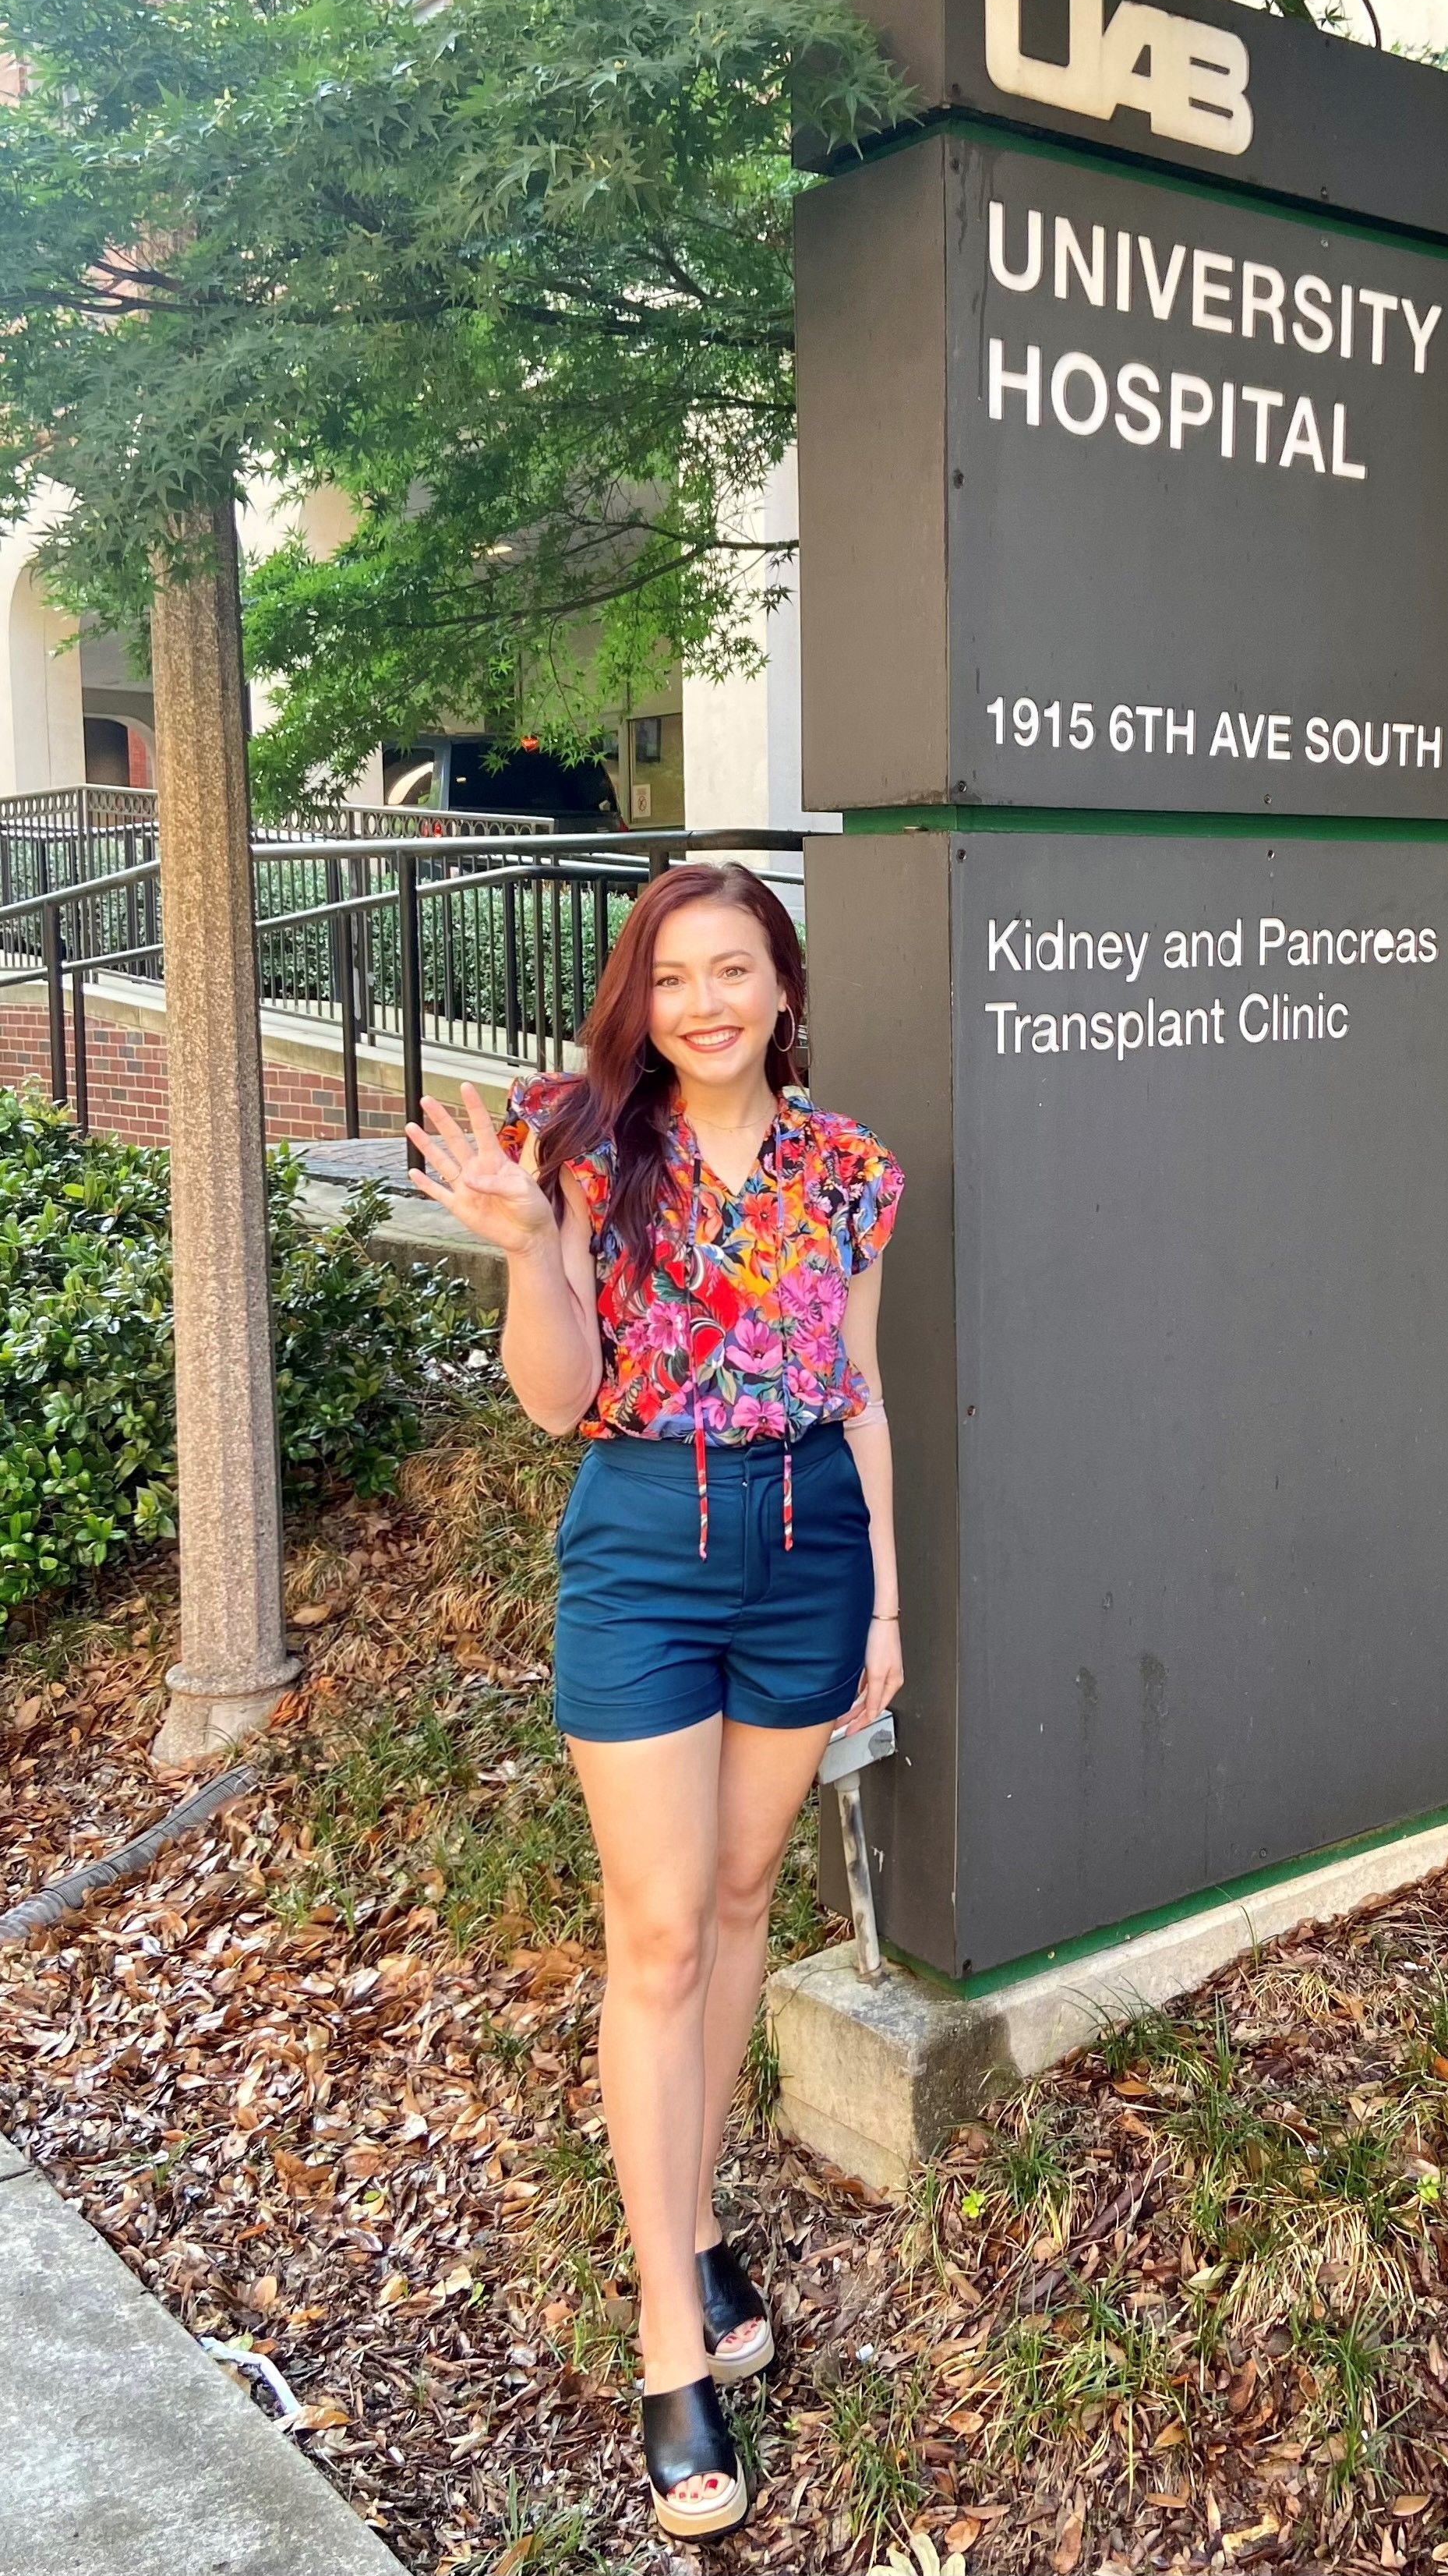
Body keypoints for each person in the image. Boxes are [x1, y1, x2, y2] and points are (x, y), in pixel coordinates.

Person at [404, 861, 903, 2545]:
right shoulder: (589, 1157)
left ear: (782, 986)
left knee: (750, 1898)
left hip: (807, 1536)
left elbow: (859, 1386)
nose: (703, 1001)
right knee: (660, 1932)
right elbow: (555, 1402)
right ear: (644, 996)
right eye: (673, 975)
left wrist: (886, 1594)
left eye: (733, 970)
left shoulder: (852, 1171)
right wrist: (530, 1248)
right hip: (642, 1542)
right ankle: (667, 2334)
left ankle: (689, 2215)